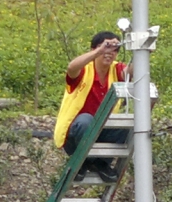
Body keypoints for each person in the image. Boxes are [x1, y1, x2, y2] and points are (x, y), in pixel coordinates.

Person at [53, 31, 124, 180]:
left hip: (101, 133)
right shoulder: (84, 69)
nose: (109, 53)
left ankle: (101, 163)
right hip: (76, 136)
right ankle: (81, 161)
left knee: (125, 124)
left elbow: (132, 72)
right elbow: (72, 68)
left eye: (115, 49)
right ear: (93, 49)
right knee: (86, 120)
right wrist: (100, 51)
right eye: (106, 47)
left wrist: (142, 51)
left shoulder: (116, 70)